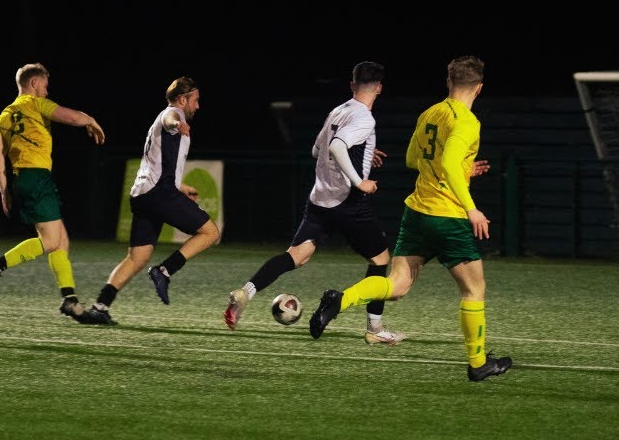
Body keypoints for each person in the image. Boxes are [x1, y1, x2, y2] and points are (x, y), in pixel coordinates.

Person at [308, 55, 512, 382]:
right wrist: (471, 205)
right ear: (479, 88)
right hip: (448, 217)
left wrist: (461, 168)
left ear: (449, 83)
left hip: (417, 212)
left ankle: (340, 299)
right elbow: (447, 162)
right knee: (474, 290)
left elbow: (413, 159)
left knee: (397, 284)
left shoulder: (430, 113)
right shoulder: (468, 122)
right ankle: (477, 363)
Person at [224, 60, 408, 345]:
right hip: (348, 203)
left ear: (352, 85)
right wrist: (359, 181)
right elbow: (336, 147)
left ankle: (245, 292)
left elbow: (317, 149)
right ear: (380, 88)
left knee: (296, 255)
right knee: (380, 259)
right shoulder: (364, 118)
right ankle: (375, 329)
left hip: (319, 200)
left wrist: (360, 155)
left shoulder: (338, 110)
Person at [78, 76, 220, 325]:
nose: (198, 106)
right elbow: (169, 118)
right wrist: (178, 122)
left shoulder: (167, 119)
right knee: (210, 232)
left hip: (144, 194)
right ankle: (164, 270)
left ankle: (100, 306)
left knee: (137, 257)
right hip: (159, 194)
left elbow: (161, 163)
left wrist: (181, 186)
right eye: (195, 100)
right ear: (182, 99)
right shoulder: (172, 114)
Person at [0, 62, 105, 321]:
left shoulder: (1, 118)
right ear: (33, 83)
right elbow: (71, 116)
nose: (46, 92)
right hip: (37, 178)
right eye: (45, 87)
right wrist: (90, 120)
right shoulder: (35, 104)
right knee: (51, 242)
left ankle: (70, 300)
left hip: (21, 179)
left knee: (61, 240)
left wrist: (4, 191)